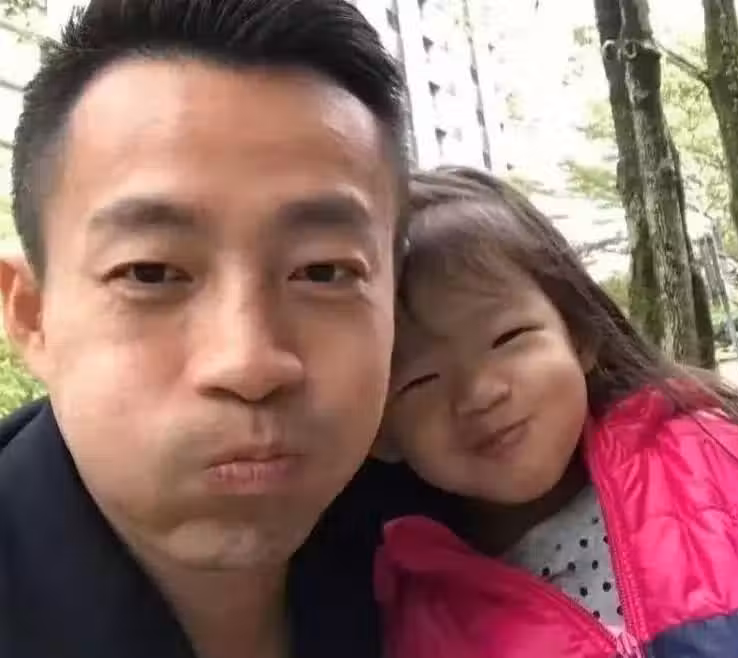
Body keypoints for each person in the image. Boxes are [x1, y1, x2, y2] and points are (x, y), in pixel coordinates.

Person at [0, 1, 444, 656]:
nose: (249, 363)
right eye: (151, 273)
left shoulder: (470, 538)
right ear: (32, 315)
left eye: (323, 271)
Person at [373, 166, 738, 658]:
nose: (480, 394)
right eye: (420, 379)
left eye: (507, 338)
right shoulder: (409, 618)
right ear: (379, 428)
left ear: (579, 336)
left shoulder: (710, 454)